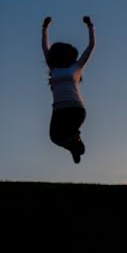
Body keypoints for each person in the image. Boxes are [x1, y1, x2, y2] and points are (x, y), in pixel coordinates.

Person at [42, 15, 96, 164]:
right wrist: (45, 28)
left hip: (75, 109)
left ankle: (75, 139)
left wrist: (90, 26)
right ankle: (74, 146)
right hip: (58, 110)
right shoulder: (53, 68)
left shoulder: (76, 67)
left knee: (66, 133)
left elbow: (91, 46)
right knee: (54, 137)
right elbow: (45, 48)